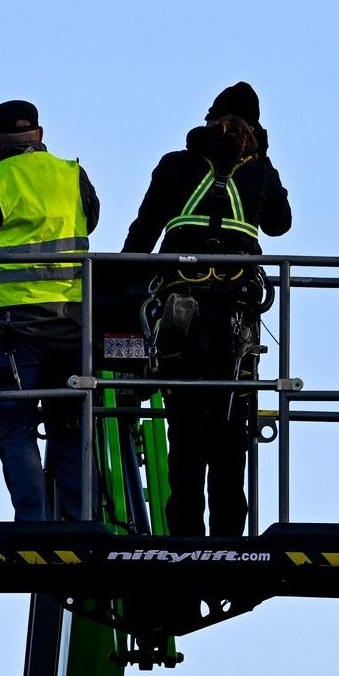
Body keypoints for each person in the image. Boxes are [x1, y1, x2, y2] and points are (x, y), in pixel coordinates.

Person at [122, 82, 292, 537]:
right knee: (231, 430)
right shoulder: (261, 174)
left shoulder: (176, 165)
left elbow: (143, 233)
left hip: (183, 317)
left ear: (208, 120)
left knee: (185, 432)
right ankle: (228, 541)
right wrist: (262, 157)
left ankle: (184, 538)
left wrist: (120, 294)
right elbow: (280, 223)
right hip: (237, 322)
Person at [0, 99, 99, 522]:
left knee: (14, 425)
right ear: (40, 133)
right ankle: (80, 526)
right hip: (73, 324)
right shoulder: (72, 176)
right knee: (72, 426)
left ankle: (34, 524)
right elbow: (91, 219)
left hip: (12, 327)